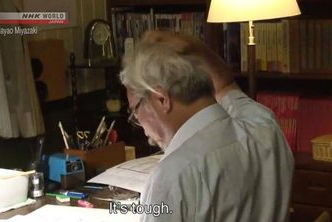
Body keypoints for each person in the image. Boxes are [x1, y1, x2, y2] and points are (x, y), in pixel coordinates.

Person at [119, 31, 294, 222]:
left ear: (162, 99)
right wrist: (193, 47)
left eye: (135, 110)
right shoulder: (264, 124)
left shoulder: (172, 177)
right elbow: (225, 83)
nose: (139, 124)